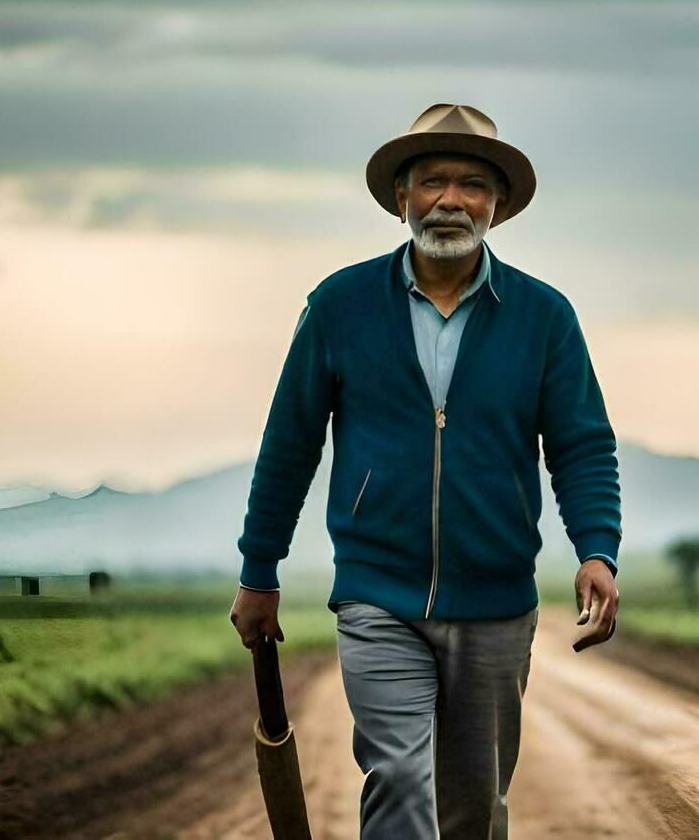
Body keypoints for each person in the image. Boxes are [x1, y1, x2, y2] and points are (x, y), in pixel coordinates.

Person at [229, 103, 623, 838]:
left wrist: (597, 549)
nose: (450, 199)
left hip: (497, 602)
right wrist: (260, 571)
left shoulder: (544, 317)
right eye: (432, 181)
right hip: (379, 596)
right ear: (401, 200)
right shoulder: (339, 307)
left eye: (472, 184)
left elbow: (582, 445)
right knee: (402, 782)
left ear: (497, 207)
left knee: (473, 807)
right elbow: (290, 444)